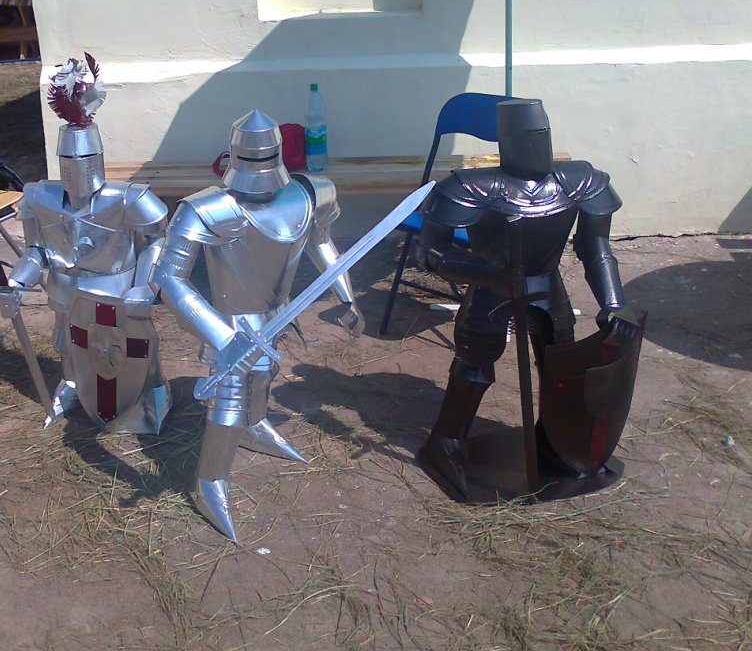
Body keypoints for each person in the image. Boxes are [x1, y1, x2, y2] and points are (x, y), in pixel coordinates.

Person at [151, 109, 364, 540]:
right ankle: (209, 480)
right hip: (230, 321)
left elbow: (323, 245)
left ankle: (254, 424)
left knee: (265, 375)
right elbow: (168, 278)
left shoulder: (310, 194)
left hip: (276, 312)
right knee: (229, 399)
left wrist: (347, 296)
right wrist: (221, 336)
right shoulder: (206, 208)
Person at [416, 97, 630, 495]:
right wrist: (487, 273)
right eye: (528, 136)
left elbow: (595, 246)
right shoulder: (469, 186)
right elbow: (430, 252)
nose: (535, 143)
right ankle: (446, 442)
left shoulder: (581, 181)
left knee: (560, 365)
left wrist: (613, 302)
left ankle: (558, 439)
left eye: (540, 134)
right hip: (490, 289)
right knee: (474, 365)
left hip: (548, 285)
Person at [6, 56, 171, 434]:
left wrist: (144, 286)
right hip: (65, 287)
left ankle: (152, 392)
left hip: (117, 289)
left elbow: (155, 241)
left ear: (97, 158)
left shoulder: (127, 197)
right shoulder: (39, 196)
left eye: (82, 158)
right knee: (67, 342)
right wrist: (17, 282)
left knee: (135, 346)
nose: (75, 166)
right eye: (68, 158)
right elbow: (36, 251)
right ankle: (71, 386)